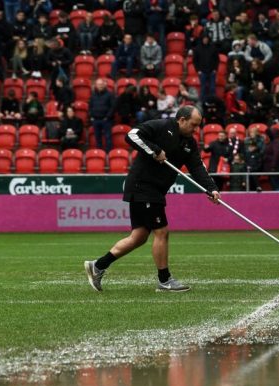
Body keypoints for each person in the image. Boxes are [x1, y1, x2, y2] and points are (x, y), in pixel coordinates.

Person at [84, 105, 221, 293]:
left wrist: (211, 188)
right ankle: (164, 281)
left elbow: (197, 167)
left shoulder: (189, 143)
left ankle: (97, 266)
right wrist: (155, 151)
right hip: (143, 186)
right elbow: (131, 135)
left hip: (155, 190)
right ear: (182, 120)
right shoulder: (160, 126)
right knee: (161, 232)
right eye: (193, 125)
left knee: (138, 237)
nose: (195, 129)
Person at [89, 78, 115, 151]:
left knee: (108, 137)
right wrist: (91, 116)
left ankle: (108, 153)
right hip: (95, 120)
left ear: (104, 85)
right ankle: (99, 153)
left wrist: (107, 117)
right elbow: (90, 106)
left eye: (101, 84)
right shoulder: (93, 95)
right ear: (96, 85)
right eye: (98, 84)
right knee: (97, 138)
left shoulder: (110, 94)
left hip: (106, 120)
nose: (100, 86)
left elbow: (113, 107)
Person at [262, 126, 279, 191]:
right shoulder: (273, 142)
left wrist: (273, 166)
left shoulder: (277, 142)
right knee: (275, 185)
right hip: (273, 168)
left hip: (275, 168)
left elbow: (276, 155)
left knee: (277, 185)